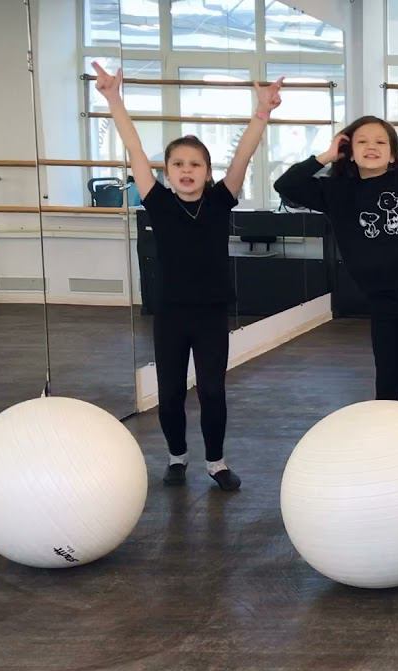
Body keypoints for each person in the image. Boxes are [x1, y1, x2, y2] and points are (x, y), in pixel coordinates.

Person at [93, 61, 284, 490]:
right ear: (167, 172)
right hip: (171, 314)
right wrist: (113, 100)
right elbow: (134, 148)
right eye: (177, 163)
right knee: (171, 392)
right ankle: (177, 456)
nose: (186, 170)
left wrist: (262, 113)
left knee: (212, 391)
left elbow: (243, 155)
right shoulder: (159, 202)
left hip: (211, 313)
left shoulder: (220, 200)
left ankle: (216, 462)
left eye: (195, 164)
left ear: (207, 172)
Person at [274, 101, 398, 422]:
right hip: (380, 300)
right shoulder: (337, 191)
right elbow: (286, 185)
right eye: (362, 141)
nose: (371, 147)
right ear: (349, 152)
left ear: (393, 154)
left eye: (381, 141)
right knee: (387, 380)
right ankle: (387, 441)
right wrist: (325, 156)